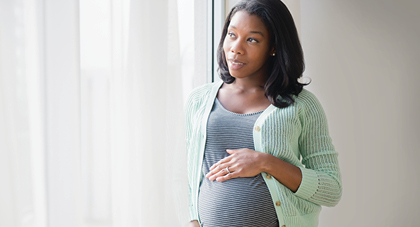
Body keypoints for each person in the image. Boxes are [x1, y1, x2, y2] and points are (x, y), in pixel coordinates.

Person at [185, 0, 342, 226]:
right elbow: (190, 179)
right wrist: (193, 221)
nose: (236, 48)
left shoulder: (301, 105)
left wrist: (265, 162)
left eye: (252, 39)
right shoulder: (198, 101)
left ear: (273, 47)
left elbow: (331, 188)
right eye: (232, 34)